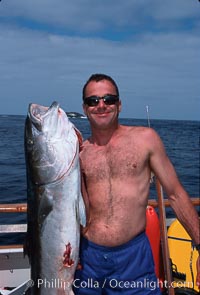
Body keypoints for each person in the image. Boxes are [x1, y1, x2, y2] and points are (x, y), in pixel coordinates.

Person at [73, 73, 200, 294]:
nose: (101, 105)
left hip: (134, 259)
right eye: (93, 101)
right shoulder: (78, 153)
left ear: (119, 105)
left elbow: (176, 195)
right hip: (88, 260)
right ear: (85, 108)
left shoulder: (145, 139)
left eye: (108, 99)